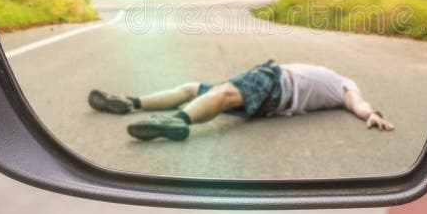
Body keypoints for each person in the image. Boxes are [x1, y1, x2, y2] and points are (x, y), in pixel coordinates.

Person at [88, 59, 395, 141]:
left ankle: (177, 121)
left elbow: (358, 103)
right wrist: (368, 113)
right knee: (194, 89)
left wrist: (372, 114)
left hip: (276, 80)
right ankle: (131, 104)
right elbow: (356, 104)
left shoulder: (345, 85)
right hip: (275, 98)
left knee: (222, 93)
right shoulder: (340, 86)